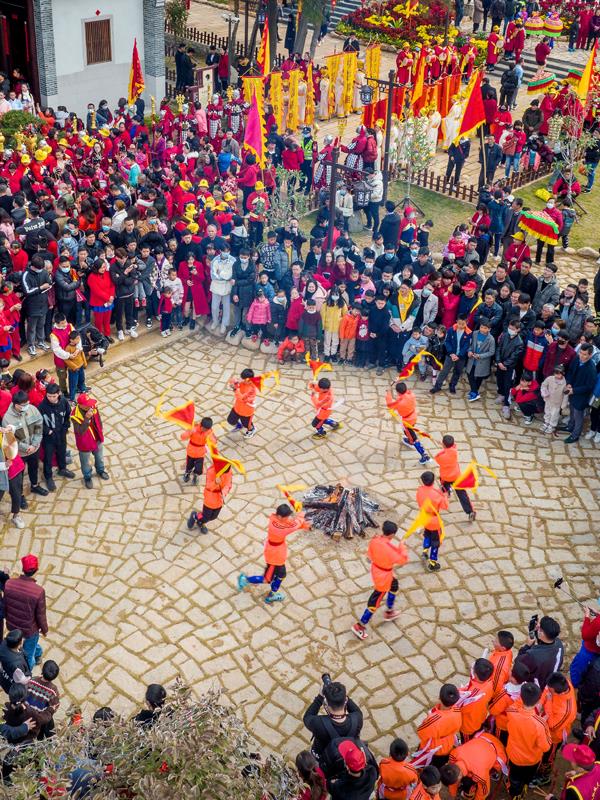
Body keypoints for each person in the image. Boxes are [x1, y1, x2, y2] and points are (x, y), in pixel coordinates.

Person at [237, 503, 311, 603]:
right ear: (280, 516)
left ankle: (272, 592)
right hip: (274, 556)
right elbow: (295, 524)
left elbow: (290, 523)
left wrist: (302, 524)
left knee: (280, 574)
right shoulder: (280, 528)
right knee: (268, 579)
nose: (288, 518)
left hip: (275, 551)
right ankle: (246, 580)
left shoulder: (275, 519)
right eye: (286, 516)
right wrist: (301, 513)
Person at [351, 520, 409, 641]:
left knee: (394, 585)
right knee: (375, 601)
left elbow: (369, 557)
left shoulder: (375, 540)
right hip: (384, 577)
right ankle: (360, 625)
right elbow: (403, 559)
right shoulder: (390, 549)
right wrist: (402, 546)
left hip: (377, 570)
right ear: (392, 534)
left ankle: (389, 611)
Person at [303, 677, 364, 773]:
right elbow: (355, 710)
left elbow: (307, 717)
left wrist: (320, 697)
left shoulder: (319, 724)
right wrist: (341, 696)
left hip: (324, 759)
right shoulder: (357, 719)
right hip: (349, 759)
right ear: (345, 700)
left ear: (327, 704)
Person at [505, 682, 552, 797]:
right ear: (537, 701)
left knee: (514, 779)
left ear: (521, 697)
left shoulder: (511, 711)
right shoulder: (540, 724)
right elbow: (546, 747)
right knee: (526, 778)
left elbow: (515, 706)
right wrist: (545, 725)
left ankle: (515, 795)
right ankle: (523, 788)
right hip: (532, 760)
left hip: (514, 757)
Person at [3, 554, 48, 671]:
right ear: (36, 570)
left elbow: (5, 605)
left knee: (31, 646)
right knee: (29, 656)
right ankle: (28, 670)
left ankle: (38, 653)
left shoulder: (9, 583)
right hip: (29, 629)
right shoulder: (38, 591)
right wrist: (44, 630)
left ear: (23, 569)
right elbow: (40, 615)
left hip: (13, 625)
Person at [2, 390, 48, 496]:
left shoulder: (32, 409)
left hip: (34, 449)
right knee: (19, 475)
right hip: (20, 453)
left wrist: (34, 444)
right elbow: (11, 440)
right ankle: (20, 495)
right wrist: (26, 447)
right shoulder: (7, 419)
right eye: (24, 405)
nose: (27, 406)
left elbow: (39, 425)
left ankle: (34, 486)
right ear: (16, 405)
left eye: (28, 403)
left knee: (34, 468)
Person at [440, 732, 507, 800]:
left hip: (498, 751)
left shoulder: (479, 774)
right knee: (468, 779)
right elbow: (452, 776)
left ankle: (470, 792)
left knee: (469, 782)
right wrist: (452, 794)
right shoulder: (454, 754)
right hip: (484, 737)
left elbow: (484, 791)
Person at [38, 383, 75, 492]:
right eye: (49, 396)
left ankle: (62, 469)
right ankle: (48, 477)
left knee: (62, 452)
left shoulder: (64, 402)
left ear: (58, 394)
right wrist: (47, 431)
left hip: (61, 433)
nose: (51, 398)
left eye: (54, 396)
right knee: (48, 457)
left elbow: (68, 415)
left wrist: (65, 427)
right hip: (48, 437)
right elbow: (38, 423)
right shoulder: (41, 406)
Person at [386, 381, 431, 464]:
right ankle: (410, 441)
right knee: (408, 432)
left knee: (413, 437)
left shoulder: (399, 403)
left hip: (407, 421)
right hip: (413, 416)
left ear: (398, 392)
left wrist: (388, 391)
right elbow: (405, 391)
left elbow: (389, 404)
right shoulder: (411, 395)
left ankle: (424, 455)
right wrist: (398, 382)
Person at [71, 393, 109, 489]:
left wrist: (100, 429)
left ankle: (100, 471)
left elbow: (98, 419)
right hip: (85, 443)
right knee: (85, 462)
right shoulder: (75, 415)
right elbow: (80, 431)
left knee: (99, 457)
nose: (90, 406)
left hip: (97, 438)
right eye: (87, 404)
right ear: (81, 405)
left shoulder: (93, 407)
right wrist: (87, 418)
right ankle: (87, 477)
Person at [417, 685, 462, 768]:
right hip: (448, 746)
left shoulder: (433, 719)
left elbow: (421, 733)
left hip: (433, 749)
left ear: (439, 698)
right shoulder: (457, 711)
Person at [515, 615, 564, 689]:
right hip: (550, 678)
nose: (537, 626)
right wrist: (535, 631)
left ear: (542, 633)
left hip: (536, 686)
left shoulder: (533, 655)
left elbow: (518, 663)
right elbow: (544, 640)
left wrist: (527, 646)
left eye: (539, 627)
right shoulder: (559, 644)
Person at [435, 435, 476, 521]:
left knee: (443, 489)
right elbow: (451, 447)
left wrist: (443, 448)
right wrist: (444, 446)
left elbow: (437, 457)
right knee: (462, 494)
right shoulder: (454, 450)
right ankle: (470, 511)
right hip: (456, 476)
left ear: (444, 444)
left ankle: (445, 497)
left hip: (445, 477)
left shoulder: (441, 457)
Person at [416, 471, 449, 572]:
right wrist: (445, 496)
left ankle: (425, 550)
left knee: (427, 534)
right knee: (436, 542)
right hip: (434, 521)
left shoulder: (419, 491)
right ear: (433, 481)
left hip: (425, 518)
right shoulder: (436, 494)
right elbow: (445, 506)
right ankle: (432, 563)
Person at [430, 316, 472, 395]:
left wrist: (459, 355)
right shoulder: (451, 330)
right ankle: (437, 386)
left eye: (463, 324)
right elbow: (447, 342)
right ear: (456, 321)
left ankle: (452, 385)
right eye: (459, 323)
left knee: (457, 372)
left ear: (467, 323)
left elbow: (466, 345)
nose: (461, 325)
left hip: (461, 357)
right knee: (444, 371)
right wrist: (451, 353)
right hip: (450, 355)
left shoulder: (469, 333)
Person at [564, 343, 597, 442]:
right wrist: (569, 383)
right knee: (572, 410)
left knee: (578, 416)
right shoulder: (576, 359)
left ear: (590, 355)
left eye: (584, 354)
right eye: (581, 353)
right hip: (571, 391)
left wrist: (574, 390)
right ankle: (570, 427)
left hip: (581, 396)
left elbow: (589, 386)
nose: (581, 356)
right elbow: (570, 371)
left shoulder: (591, 369)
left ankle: (575, 435)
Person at [570, 605, 600, 688]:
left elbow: (585, 635)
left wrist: (587, 617)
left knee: (578, 667)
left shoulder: (598, 622)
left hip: (590, 650)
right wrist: (598, 614)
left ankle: (575, 684)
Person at [227, 368, 258, 438]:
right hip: (237, 408)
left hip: (246, 412)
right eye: (241, 377)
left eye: (243, 379)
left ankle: (252, 430)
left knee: (247, 425)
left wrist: (235, 389)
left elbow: (241, 398)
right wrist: (234, 382)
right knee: (230, 421)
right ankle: (239, 426)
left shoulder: (251, 389)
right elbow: (232, 381)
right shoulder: (243, 382)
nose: (241, 380)